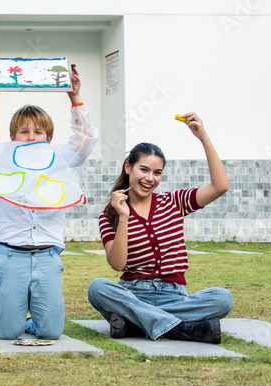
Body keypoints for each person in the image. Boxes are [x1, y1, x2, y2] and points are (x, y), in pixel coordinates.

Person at [0, 63, 98, 340]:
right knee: (8, 332)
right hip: (11, 254)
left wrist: (75, 98)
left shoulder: (61, 157)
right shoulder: (0, 155)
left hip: (48, 256)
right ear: (13, 137)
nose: (31, 137)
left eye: (38, 132)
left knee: (51, 331)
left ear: (49, 138)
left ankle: (19, 316)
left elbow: (85, 140)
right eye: (24, 132)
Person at [87, 114, 233, 343]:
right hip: (132, 294)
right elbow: (117, 265)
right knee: (97, 288)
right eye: (143, 170)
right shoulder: (110, 215)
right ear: (128, 167)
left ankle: (136, 324)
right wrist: (124, 218)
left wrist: (203, 137)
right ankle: (180, 328)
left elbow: (220, 186)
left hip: (174, 296)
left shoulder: (174, 202)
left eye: (157, 173)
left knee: (223, 299)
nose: (150, 178)